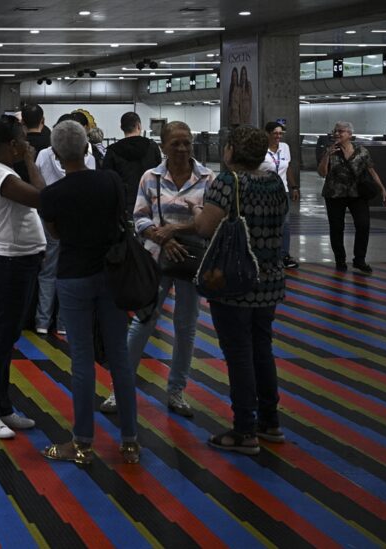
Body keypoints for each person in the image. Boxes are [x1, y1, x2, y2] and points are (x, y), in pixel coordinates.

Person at [38, 120, 139, 466]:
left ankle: (81, 442)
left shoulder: (53, 194)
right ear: (86, 149)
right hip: (111, 275)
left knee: (82, 359)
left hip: (73, 277)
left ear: (55, 155)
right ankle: (130, 442)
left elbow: (55, 235)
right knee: (119, 358)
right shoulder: (110, 180)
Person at [101, 121, 213, 418]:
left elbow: (213, 221)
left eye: (187, 142)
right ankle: (118, 389)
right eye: (175, 143)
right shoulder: (150, 178)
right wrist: (161, 239)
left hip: (192, 260)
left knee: (186, 327)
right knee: (143, 321)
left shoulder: (207, 178)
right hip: (155, 260)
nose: (182, 148)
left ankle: (176, 392)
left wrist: (176, 230)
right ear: (162, 146)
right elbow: (138, 218)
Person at [193, 125, 290, 455]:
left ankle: (245, 430)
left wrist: (196, 213)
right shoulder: (275, 182)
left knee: (238, 354)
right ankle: (270, 422)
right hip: (270, 281)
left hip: (235, 282)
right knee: (262, 349)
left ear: (231, 150)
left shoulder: (227, 182)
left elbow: (206, 227)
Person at [0, 116, 46, 440]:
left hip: (21, 260)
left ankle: (2, 406)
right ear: (10, 144)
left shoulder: (3, 171)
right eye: (21, 142)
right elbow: (44, 198)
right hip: (9, 262)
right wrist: (30, 159)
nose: (25, 146)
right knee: (2, 338)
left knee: (9, 336)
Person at [31, 113, 97, 335]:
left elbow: (38, 181)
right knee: (71, 270)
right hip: (78, 218)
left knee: (47, 271)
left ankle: (41, 321)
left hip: (48, 216)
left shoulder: (43, 154)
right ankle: (64, 323)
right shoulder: (88, 157)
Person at [317, 120, 386, 273]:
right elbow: (322, 173)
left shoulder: (361, 151)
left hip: (357, 194)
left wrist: (382, 189)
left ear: (350, 134)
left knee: (363, 225)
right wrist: (327, 156)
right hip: (334, 194)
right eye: (335, 131)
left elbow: (371, 171)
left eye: (341, 131)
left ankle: (359, 260)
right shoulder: (330, 150)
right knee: (337, 228)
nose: (336, 133)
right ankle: (340, 260)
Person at [101, 111, 163, 215]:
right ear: (139, 126)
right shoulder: (152, 147)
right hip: (151, 200)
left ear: (121, 127)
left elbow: (107, 181)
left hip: (124, 204)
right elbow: (160, 173)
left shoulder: (112, 151)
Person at [260, 121, 300, 269]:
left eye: (280, 133)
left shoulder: (285, 148)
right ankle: (265, 255)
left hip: (282, 191)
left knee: (285, 224)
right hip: (264, 191)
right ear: (267, 134)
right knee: (265, 223)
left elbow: (287, 167)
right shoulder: (260, 149)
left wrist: (294, 186)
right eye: (275, 133)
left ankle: (284, 255)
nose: (278, 136)